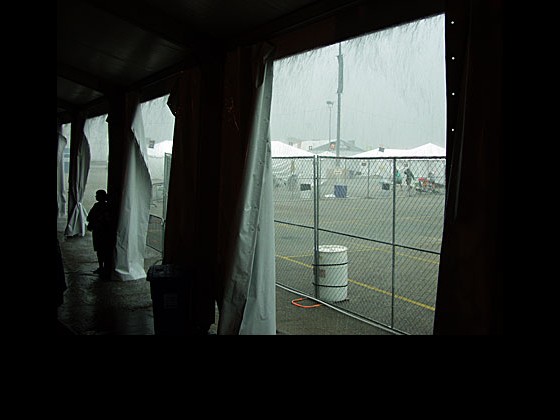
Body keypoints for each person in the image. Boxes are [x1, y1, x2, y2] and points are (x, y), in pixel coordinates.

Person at [87, 189, 113, 276]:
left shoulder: (99, 206)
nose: (96, 197)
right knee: (102, 250)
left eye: (97, 195)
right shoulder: (106, 207)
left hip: (100, 232)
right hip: (101, 232)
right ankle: (103, 267)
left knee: (101, 250)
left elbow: (90, 217)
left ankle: (102, 267)